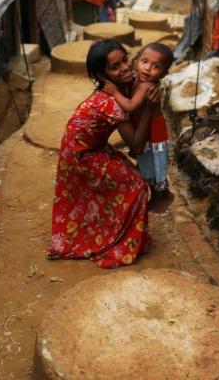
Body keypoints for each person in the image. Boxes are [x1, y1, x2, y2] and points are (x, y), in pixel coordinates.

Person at [46, 40, 152, 268]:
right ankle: (119, 241)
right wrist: (150, 111)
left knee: (125, 175)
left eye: (124, 60)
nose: (124, 67)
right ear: (102, 76)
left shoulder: (117, 93)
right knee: (137, 186)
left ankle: (107, 230)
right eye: (115, 67)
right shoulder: (111, 102)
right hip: (83, 154)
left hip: (86, 147)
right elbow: (136, 143)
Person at [105, 42, 175, 206]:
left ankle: (160, 196)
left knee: (152, 164)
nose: (148, 69)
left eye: (156, 66)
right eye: (144, 62)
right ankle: (158, 193)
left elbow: (130, 106)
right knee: (147, 163)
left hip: (153, 133)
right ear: (137, 60)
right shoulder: (137, 80)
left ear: (164, 73)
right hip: (146, 129)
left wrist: (114, 92)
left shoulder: (147, 85)